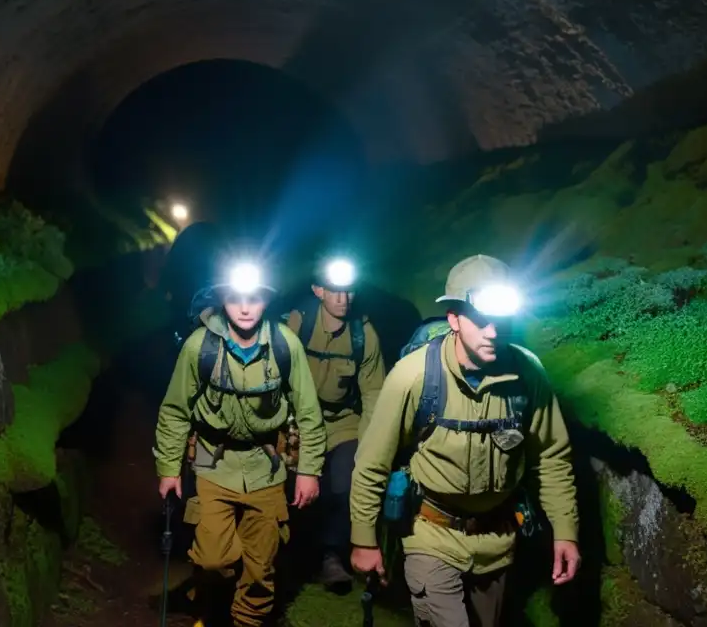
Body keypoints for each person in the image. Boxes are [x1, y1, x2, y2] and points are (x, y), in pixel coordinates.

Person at [349, 254, 581, 627]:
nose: (493, 331)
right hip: (430, 535)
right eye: (481, 320)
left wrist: (566, 533)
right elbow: (373, 461)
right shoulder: (413, 376)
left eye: (502, 320)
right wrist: (364, 539)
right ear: (454, 319)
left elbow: (551, 457)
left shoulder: (527, 373)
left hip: (498, 539)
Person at [154, 259, 327, 627]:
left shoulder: (285, 345)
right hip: (213, 463)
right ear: (221, 299)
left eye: (254, 297)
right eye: (235, 298)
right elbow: (174, 410)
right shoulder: (200, 347)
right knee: (213, 559)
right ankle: (211, 603)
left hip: (267, 467)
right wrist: (169, 469)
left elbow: (310, 413)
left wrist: (309, 470)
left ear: (266, 300)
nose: (245, 307)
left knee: (261, 567)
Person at [285, 256, 386, 592]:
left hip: (342, 420)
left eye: (349, 291)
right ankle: (290, 552)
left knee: (345, 481)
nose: (343, 299)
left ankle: (331, 555)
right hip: (296, 420)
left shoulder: (363, 333)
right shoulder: (298, 324)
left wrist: (368, 443)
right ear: (318, 291)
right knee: (289, 481)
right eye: (335, 291)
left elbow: (373, 391)